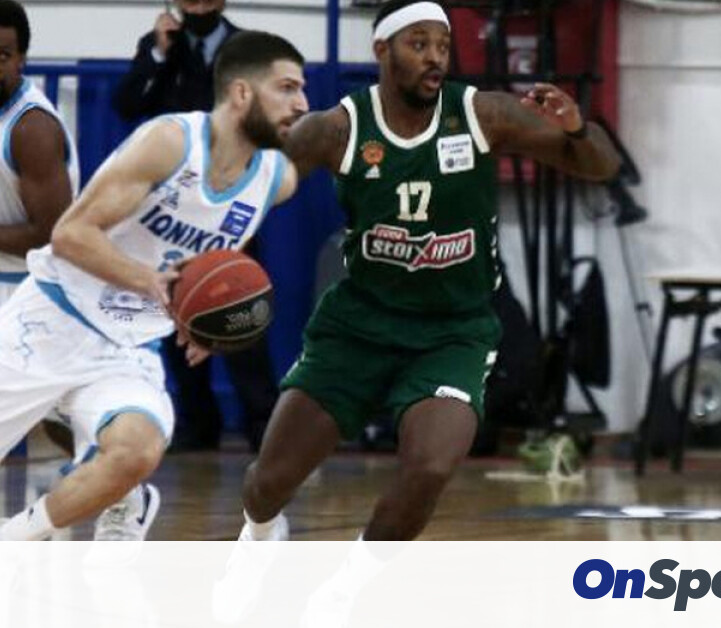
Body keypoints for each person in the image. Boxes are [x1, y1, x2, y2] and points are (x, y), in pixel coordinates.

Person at [215, 1, 621, 623]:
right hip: (357, 326)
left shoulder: (481, 114)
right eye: (419, 44)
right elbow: (247, 195)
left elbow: (601, 166)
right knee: (267, 482)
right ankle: (258, 540)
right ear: (382, 49)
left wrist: (576, 129)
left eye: (443, 45)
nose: (435, 58)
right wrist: (210, 275)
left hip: (453, 331)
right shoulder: (337, 129)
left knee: (430, 466)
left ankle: (344, 590)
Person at [0, 30, 309, 542]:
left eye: (303, 90)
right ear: (242, 93)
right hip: (50, 317)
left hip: (128, 344)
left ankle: (7, 541)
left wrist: (204, 319)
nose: (301, 103)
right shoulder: (170, 143)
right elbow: (69, 234)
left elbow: (212, 246)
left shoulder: (276, 179)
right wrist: (155, 285)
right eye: (287, 88)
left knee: (137, 451)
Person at [114, 0, 276, 453]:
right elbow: (126, 103)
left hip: (231, 198)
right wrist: (158, 54)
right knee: (178, 310)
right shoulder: (158, 45)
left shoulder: (246, 47)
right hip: (172, 211)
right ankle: (198, 422)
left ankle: (262, 421)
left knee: (240, 305)